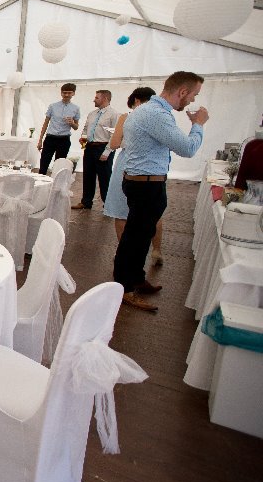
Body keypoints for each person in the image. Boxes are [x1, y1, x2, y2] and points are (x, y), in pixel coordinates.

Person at [113, 71, 208, 312]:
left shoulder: (146, 110)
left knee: (141, 235)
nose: (192, 100)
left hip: (142, 182)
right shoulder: (156, 114)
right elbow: (187, 148)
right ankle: (124, 288)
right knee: (135, 238)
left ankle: (135, 278)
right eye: (193, 95)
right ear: (182, 91)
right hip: (146, 185)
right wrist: (198, 125)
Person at [103, 87, 164, 266]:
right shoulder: (158, 118)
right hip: (152, 166)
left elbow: (114, 143)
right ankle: (156, 250)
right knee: (153, 211)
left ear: (136, 100)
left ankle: (124, 253)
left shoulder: (127, 117)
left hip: (128, 162)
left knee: (120, 210)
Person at [73, 89, 120, 210]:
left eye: (96, 98)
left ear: (105, 99)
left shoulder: (114, 114)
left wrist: (107, 152)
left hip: (103, 147)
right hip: (89, 147)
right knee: (88, 175)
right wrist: (83, 139)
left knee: (105, 177)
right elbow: (85, 129)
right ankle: (86, 202)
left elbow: (114, 135)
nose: (94, 100)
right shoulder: (92, 114)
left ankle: (108, 205)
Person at [36, 83, 79, 175]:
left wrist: (72, 123)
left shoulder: (76, 108)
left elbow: (76, 127)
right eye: (64, 92)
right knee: (43, 164)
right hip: (50, 138)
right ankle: (40, 182)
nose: (66, 95)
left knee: (59, 167)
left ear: (73, 93)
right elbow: (45, 123)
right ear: (61, 93)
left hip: (64, 140)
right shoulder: (53, 106)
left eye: (69, 93)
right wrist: (40, 140)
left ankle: (55, 183)